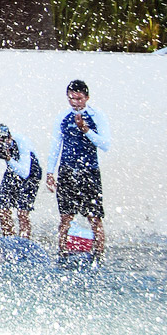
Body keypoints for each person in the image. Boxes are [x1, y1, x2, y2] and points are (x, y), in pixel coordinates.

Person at [46, 79, 111, 261]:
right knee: (65, 217)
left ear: (87, 97)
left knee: (94, 217)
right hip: (66, 171)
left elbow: (105, 145)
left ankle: (98, 254)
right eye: (71, 98)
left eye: (79, 98)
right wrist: (50, 172)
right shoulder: (63, 117)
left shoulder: (97, 116)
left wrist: (86, 130)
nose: (75, 102)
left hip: (89, 172)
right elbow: (55, 145)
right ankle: (62, 254)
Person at [0, 123, 42, 238]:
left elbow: (24, 173)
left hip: (31, 173)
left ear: (10, 137)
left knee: (22, 213)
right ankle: (9, 240)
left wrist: (8, 158)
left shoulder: (22, 142)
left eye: (6, 140)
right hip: (12, 171)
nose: (4, 143)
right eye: (0, 140)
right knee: (3, 211)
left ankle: (25, 243)